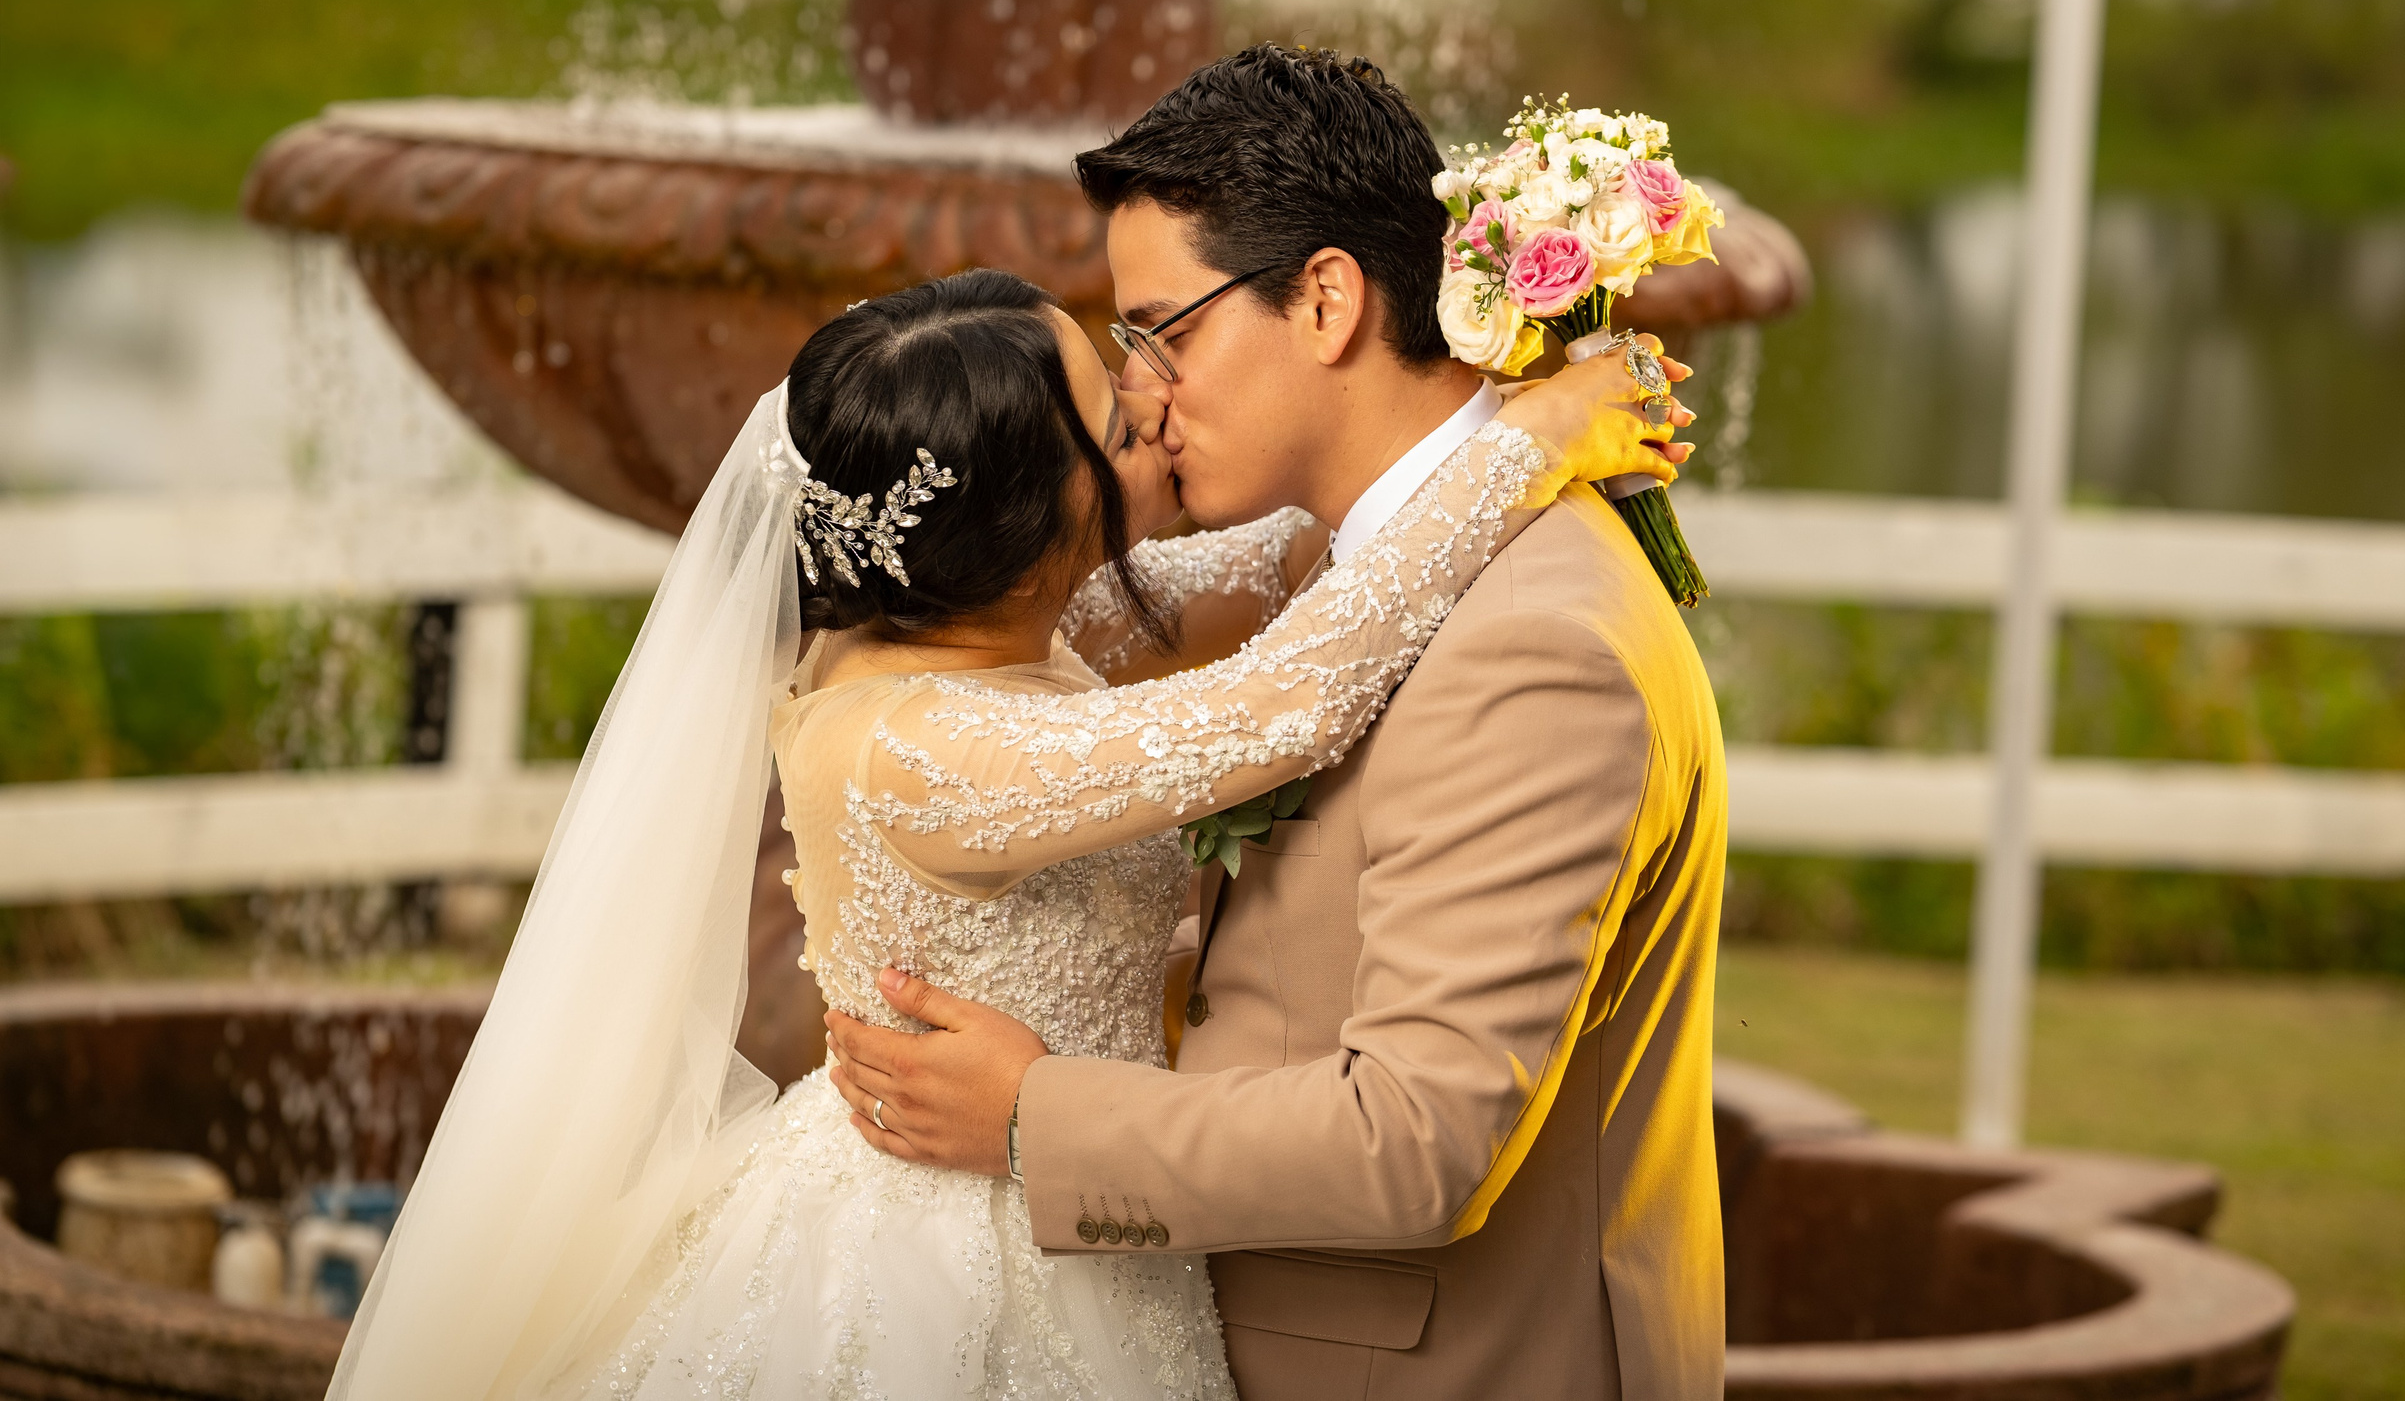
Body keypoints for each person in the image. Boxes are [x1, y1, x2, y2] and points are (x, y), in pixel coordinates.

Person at [322, 256, 1684, 1399]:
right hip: (957, 1253)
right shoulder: (913, 746)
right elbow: (1297, 692)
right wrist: (1529, 443)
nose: (1150, 397)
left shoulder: (1009, 619)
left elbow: (1309, 558)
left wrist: (1467, 397)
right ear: (1033, 518)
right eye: (1109, 409)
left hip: (1083, 1216)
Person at [825, 46, 1733, 1399]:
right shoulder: (1339, 563)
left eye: (1164, 333)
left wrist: (1034, 1117)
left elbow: (1417, 1139)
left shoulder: (1532, 643)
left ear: (1323, 301)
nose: (1141, 394)